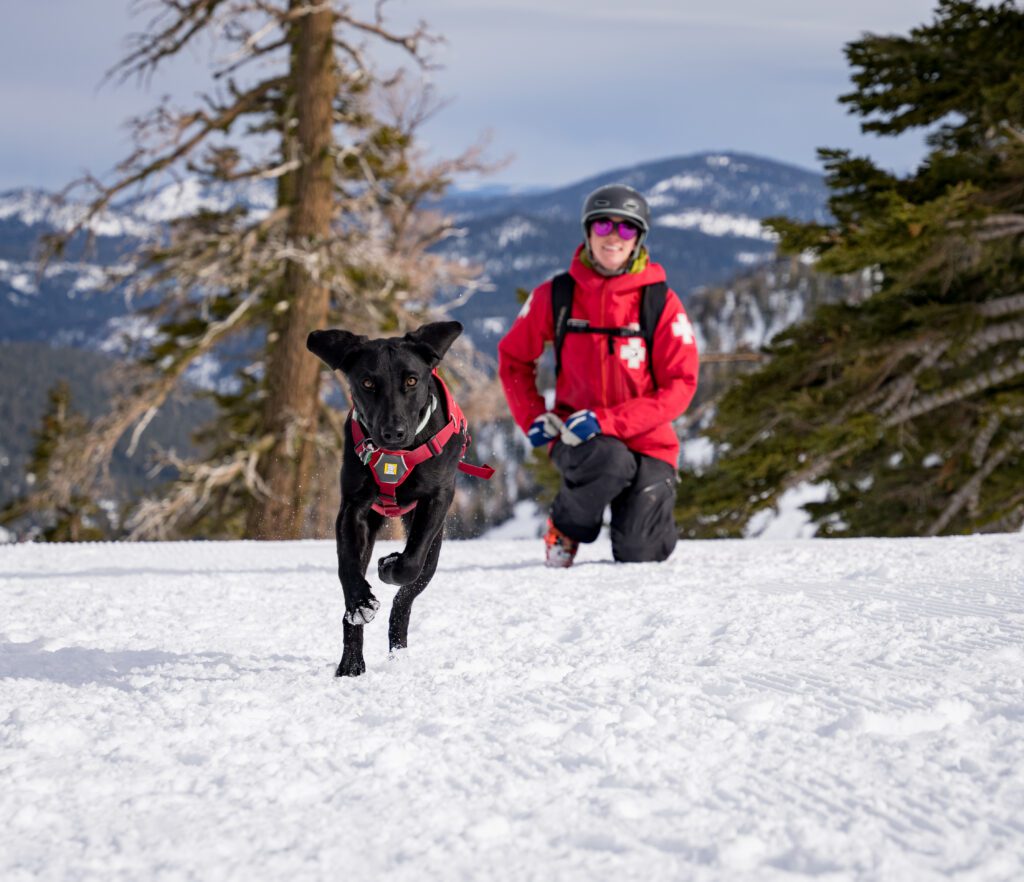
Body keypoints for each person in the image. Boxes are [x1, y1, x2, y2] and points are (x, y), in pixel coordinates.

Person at [498, 183, 699, 567]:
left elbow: (681, 384)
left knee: (641, 553)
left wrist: (608, 421)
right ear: (588, 232)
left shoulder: (659, 302)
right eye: (603, 225)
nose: (614, 237)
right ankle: (565, 529)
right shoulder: (557, 295)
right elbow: (514, 358)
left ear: (638, 238)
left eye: (626, 228)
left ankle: (644, 521)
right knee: (610, 460)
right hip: (578, 436)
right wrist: (532, 416)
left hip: (650, 442)